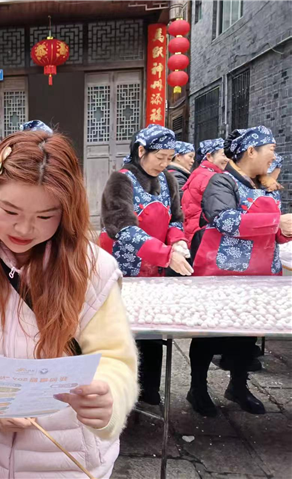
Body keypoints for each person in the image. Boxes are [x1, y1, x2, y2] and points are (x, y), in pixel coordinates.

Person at [0, 124, 138, 478]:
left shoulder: (92, 268)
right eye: (10, 211)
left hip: (69, 459)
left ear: (66, 212)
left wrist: (107, 397)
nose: (23, 229)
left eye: (45, 216)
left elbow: (115, 358)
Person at [187, 127, 292, 417]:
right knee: (209, 333)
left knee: (247, 334)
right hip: (224, 274)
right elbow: (225, 220)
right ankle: (197, 388)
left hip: (259, 273)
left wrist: (284, 232)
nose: (273, 155)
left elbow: (272, 231)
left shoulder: (263, 185)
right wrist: (276, 223)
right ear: (251, 151)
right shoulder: (222, 182)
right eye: (270, 149)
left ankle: (238, 386)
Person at [100, 125, 192, 406]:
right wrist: (164, 254)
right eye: (160, 157)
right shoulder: (120, 180)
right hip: (124, 268)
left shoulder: (169, 180)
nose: (165, 164)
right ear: (141, 151)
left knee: (152, 332)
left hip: (155, 270)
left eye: (169, 158)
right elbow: (122, 227)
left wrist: (178, 242)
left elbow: (176, 219)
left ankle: (150, 389)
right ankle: (118, 390)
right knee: (122, 332)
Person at [181, 138, 230, 249]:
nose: (227, 159)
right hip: (203, 236)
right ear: (209, 156)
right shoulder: (210, 177)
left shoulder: (201, 172)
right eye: (223, 155)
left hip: (194, 232)